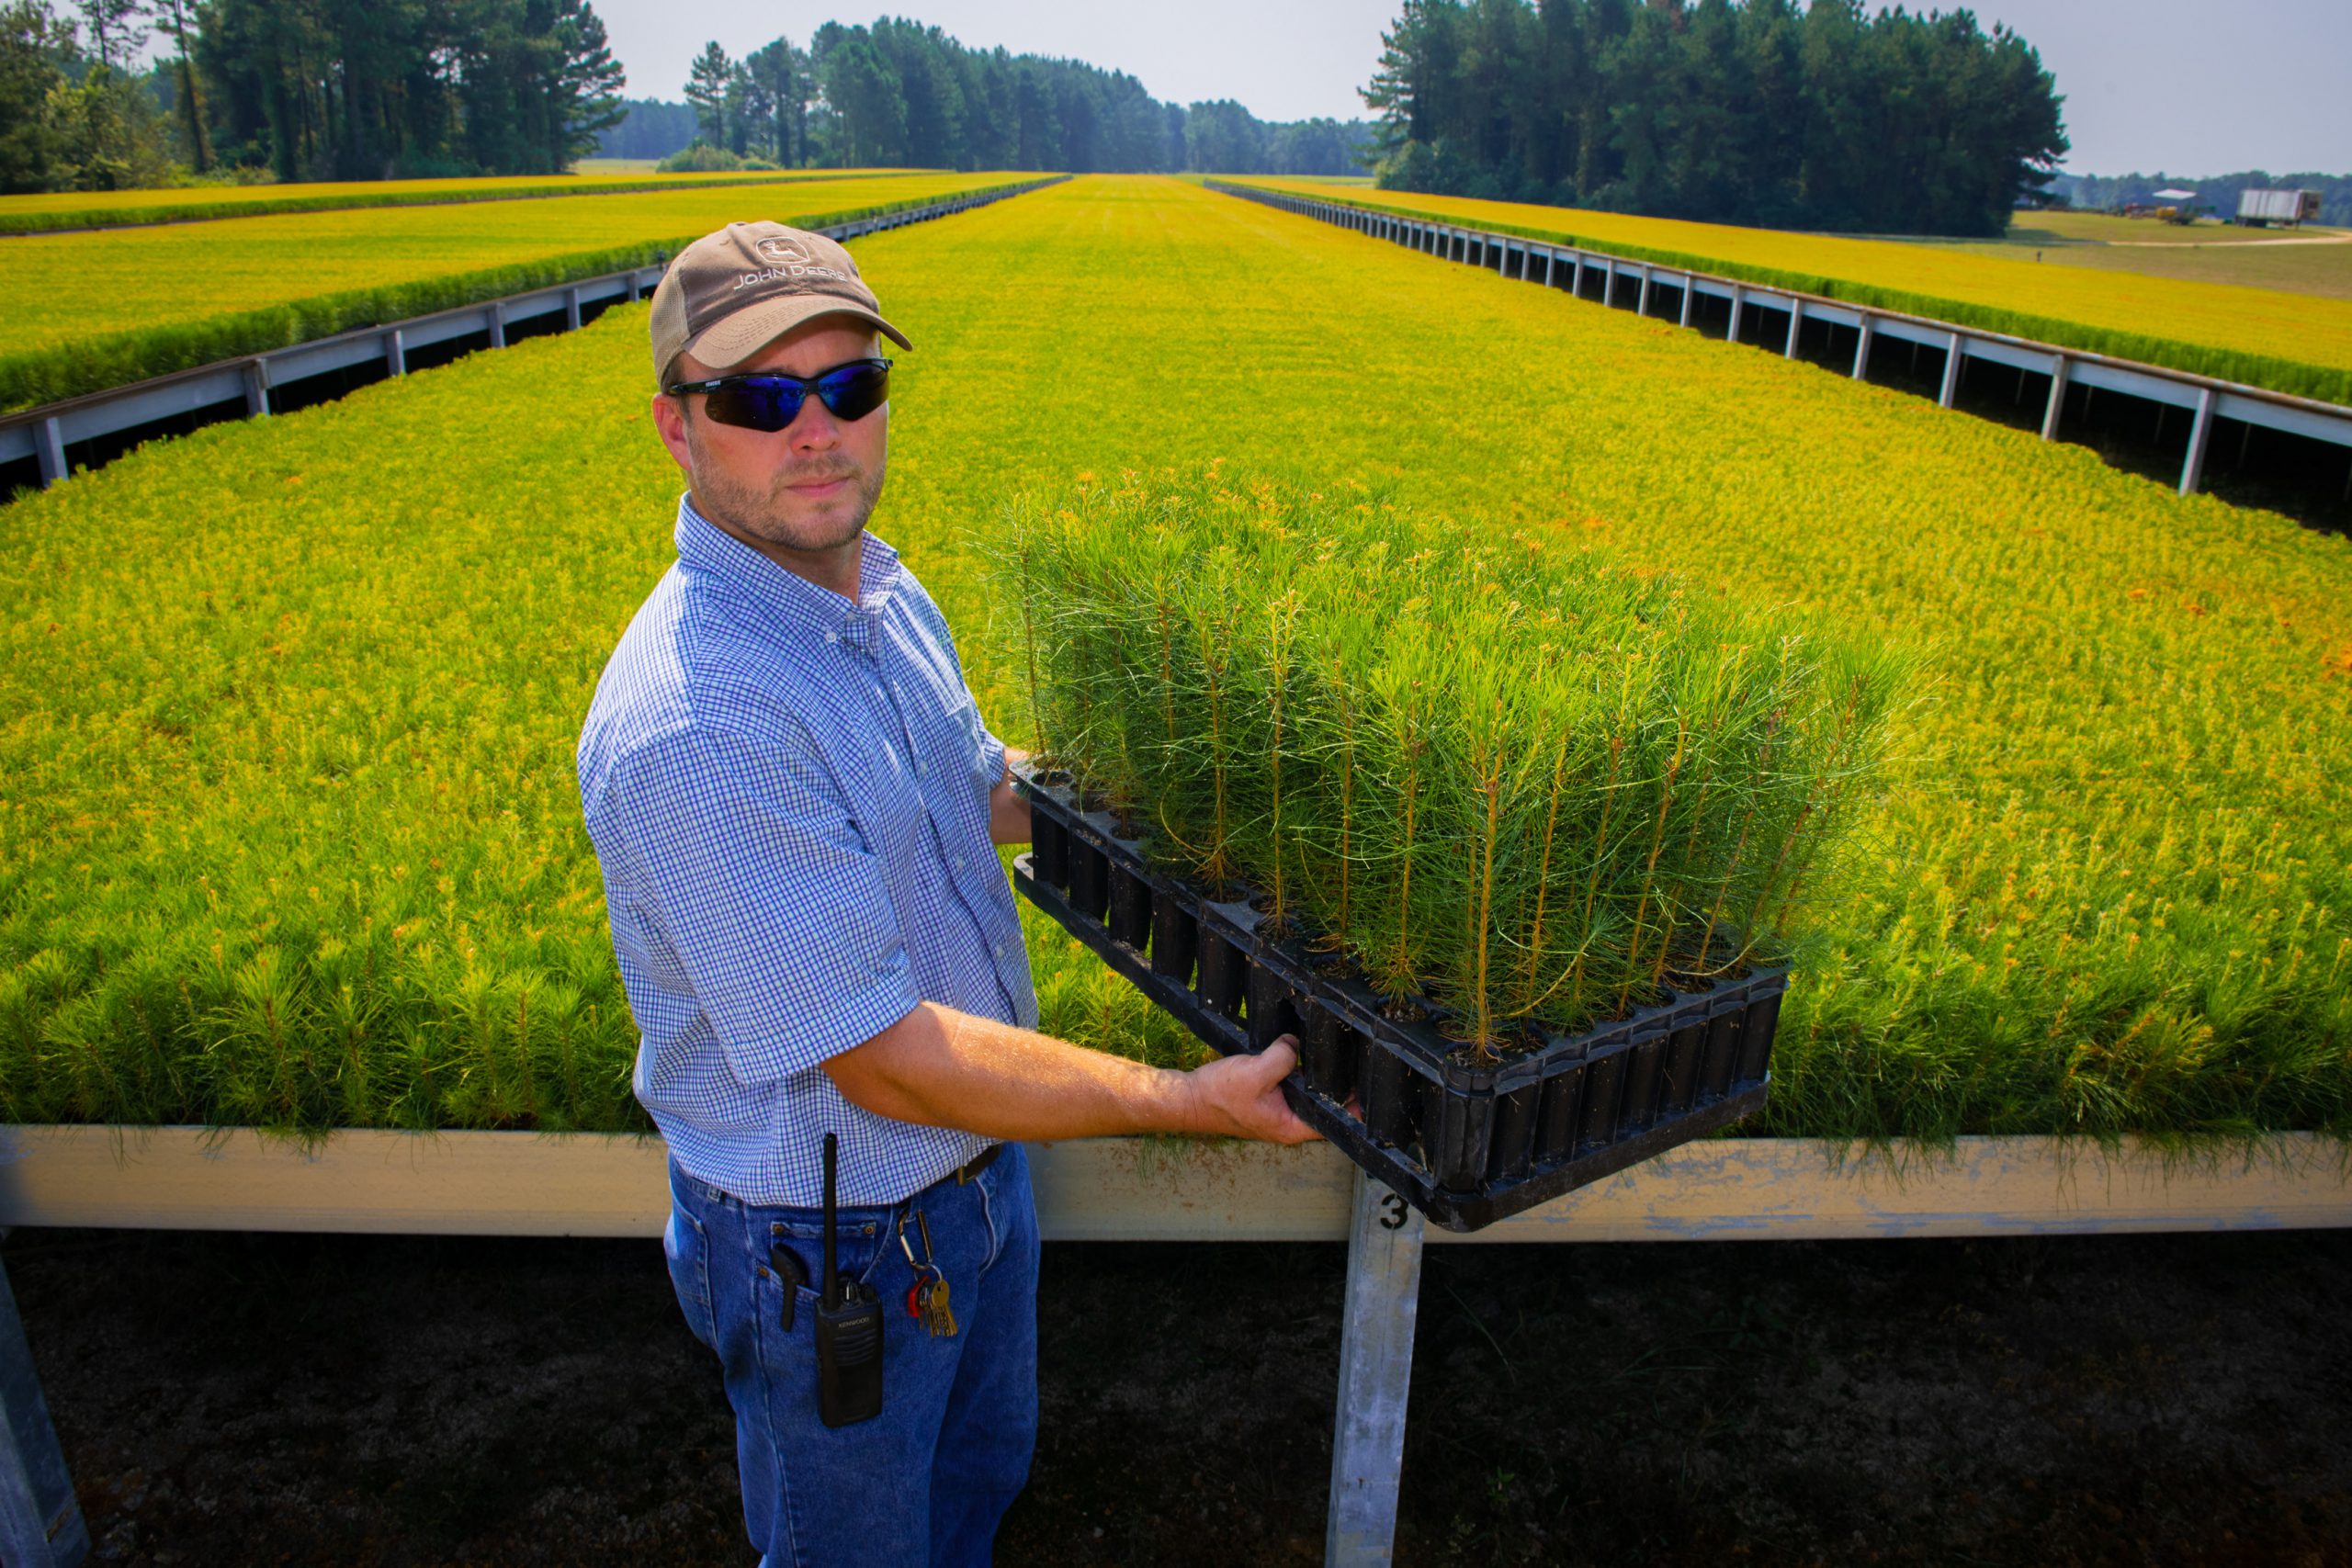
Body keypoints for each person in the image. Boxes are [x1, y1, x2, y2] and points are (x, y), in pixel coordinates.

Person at [574, 220, 1319, 1568]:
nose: (818, 431)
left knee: (974, 1501)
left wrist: (1183, 796)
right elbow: (887, 1063)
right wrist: (1176, 1103)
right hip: (833, 1248)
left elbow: (974, 784)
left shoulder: (877, 592)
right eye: (759, 399)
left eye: (850, 388)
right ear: (677, 431)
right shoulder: (701, 724)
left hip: (976, 1187)